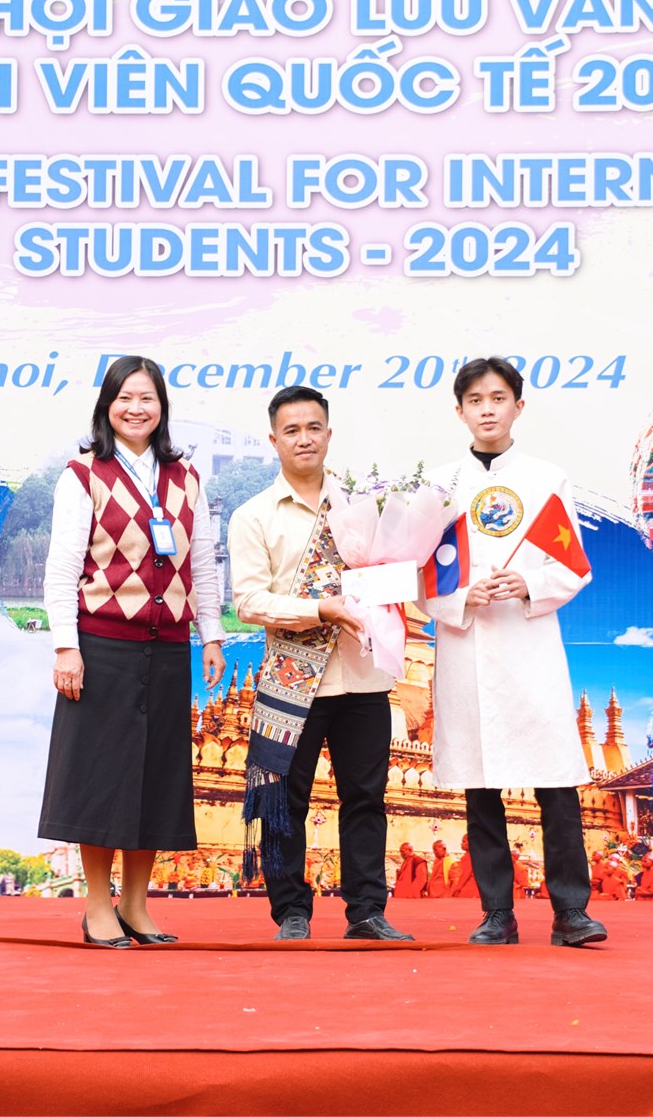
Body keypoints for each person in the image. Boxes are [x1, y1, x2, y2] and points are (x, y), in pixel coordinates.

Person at [420, 357, 609, 949]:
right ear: (459, 412)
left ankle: (571, 912)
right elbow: (419, 575)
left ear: (518, 407)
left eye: (498, 398)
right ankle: (496, 913)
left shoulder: (547, 479)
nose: (487, 410)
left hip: (530, 647)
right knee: (480, 787)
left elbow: (572, 565)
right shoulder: (438, 486)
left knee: (555, 779)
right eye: (475, 400)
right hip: (468, 646)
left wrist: (530, 583)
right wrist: (459, 597)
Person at [39, 355, 227, 948]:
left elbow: (202, 565)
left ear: (162, 407)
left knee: (155, 779)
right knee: (101, 780)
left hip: (167, 647)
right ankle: (98, 907)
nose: (136, 408)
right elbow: (61, 570)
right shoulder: (83, 475)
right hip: (103, 646)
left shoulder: (186, 477)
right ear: (107, 406)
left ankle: (137, 907)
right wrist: (66, 648)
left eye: (147, 398)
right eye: (125, 398)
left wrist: (211, 635)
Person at [227, 385, 412, 942]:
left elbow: (390, 574)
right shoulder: (253, 515)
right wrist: (319, 609)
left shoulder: (366, 507)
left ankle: (367, 912)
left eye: (313, 428)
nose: (304, 439)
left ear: (329, 434)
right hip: (291, 683)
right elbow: (248, 602)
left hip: (363, 676)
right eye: (292, 430)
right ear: (274, 440)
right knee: (283, 801)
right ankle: (291, 911)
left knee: (366, 798)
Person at [448, 835, 479, 899]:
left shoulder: (469, 857)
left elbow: (464, 875)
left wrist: (457, 888)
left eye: (464, 841)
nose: (461, 844)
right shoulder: (476, 855)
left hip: (469, 888)